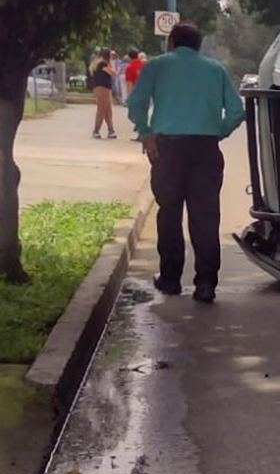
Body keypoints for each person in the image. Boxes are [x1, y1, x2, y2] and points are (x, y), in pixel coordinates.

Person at [128, 23, 245, 303]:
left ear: (171, 42)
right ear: (198, 44)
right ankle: (206, 284)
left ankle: (170, 280)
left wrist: (145, 133)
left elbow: (136, 103)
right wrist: (219, 130)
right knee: (205, 218)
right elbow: (237, 110)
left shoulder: (156, 66)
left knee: (169, 214)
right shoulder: (215, 69)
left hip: (168, 149)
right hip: (206, 149)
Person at [88, 48, 118, 139]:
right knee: (102, 109)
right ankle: (96, 130)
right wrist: (116, 68)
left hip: (101, 87)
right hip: (103, 88)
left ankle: (111, 130)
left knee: (107, 110)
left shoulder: (97, 63)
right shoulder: (103, 64)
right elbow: (113, 73)